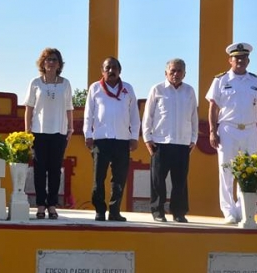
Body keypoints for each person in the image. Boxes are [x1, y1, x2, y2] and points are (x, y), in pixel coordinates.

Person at [206, 42, 257, 224]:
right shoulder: (220, 80)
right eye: (237, 58)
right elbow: (213, 107)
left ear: (248, 60)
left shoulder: (256, 81)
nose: (240, 61)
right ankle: (228, 212)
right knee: (226, 170)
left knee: (249, 172)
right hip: (227, 129)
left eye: (243, 58)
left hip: (250, 129)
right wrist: (212, 131)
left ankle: (243, 210)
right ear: (230, 60)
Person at [83, 57, 140, 222]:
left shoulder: (128, 89)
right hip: (100, 140)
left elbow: (135, 116)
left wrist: (134, 137)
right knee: (98, 178)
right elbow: (88, 114)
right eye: (107, 68)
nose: (111, 71)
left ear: (119, 71)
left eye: (114, 68)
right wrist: (88, 135)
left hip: (122, 140)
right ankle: (100, 210)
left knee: (119, 178)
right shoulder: (95, 88)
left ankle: (114, 211)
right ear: (102, 71)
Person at [142, 58, 198, 223]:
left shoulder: (189, 91)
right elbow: (148, 116)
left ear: (185, 73)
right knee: (158, 180)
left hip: (182, 143)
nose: (176, 74)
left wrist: (193, 138)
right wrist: (147, 138)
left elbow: (194, 117)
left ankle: (179, 212)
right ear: (166, 72)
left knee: (180, 181)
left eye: (179, 71)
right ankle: (158, 211)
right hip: (160, 142)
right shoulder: (157, 89)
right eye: (172, 71)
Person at [23, 48, 73, 220]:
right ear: (42, 63)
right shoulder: (35, 83)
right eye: (48, 59)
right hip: (39, 132)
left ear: (59, 64)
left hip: (59, 132)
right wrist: (27, 131)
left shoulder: (65, 84)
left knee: (54, 170)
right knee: (39, 170)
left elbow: (69, 107)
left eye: (54, 60)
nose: (51, 62)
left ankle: (52, 205)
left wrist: (71, 128)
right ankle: (40, 206)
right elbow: (29, 108)